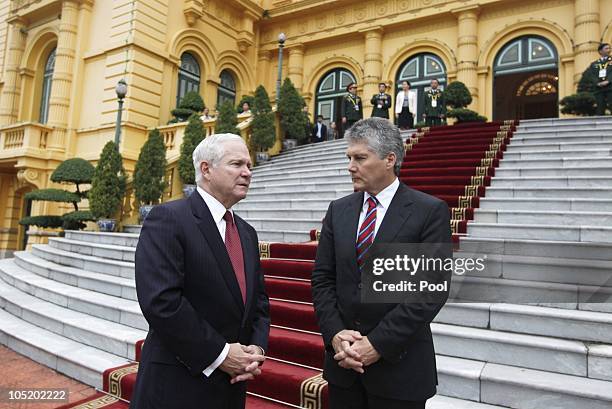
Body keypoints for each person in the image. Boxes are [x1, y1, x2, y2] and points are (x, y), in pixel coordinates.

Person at [311, 117, 451, 409]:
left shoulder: (429, 211)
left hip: (399, 370)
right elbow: (323, 279)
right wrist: (335, 334)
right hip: (343, 368)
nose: (350, 166)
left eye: (360, 158)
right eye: (349, 157)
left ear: (390, 159)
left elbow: (431, 290)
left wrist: (377, 344)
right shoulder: (338, 210)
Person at [130, 133, 270, 409]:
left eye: (249, 166)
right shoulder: (168, 218)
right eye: (237, 164)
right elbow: (161, 302)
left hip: (232, 386)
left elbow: (259, 303)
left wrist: (256, 349)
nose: (247, 173)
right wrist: (221, 354)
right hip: (178, 384)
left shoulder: (246, 232)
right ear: (206, 169)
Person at [591, 43, 612, 115]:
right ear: (600, 51)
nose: (609, 50)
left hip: (610, 87)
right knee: (600, 107)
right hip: (599, 88)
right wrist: (597, 83)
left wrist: (608, 80)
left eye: (609, 48)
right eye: (606, 48)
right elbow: (592, 75)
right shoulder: (594, 64)